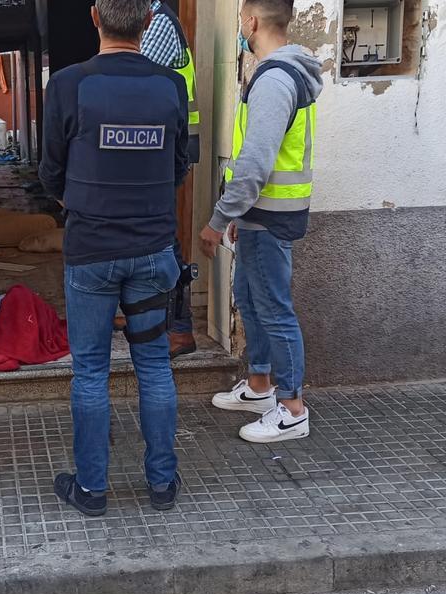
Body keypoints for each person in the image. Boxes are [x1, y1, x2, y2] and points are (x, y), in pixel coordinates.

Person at [40, 0, 189, 516]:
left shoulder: (67, 85)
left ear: (94, 16)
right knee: (154, 366)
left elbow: (49, 173)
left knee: (89, 371)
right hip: (152, 252)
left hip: (91, 255)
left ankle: (92, 490)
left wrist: (81, 204)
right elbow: (178, 167)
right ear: (148, 23)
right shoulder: (171, 86)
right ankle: (163, 485)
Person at [198, 0, 322, 444]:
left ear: (251, 21)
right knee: (250, 300)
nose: (239, 28)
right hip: (259, 213)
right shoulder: (279, 73)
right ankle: (260, 386)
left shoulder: (275, 79)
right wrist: (240, 214)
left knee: (273, 309)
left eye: (239, 21)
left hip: (271, 216)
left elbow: (253, 164)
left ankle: (292, 409)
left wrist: (218, 219)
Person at [138, 0, 200, 359]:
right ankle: (150, 311)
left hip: (168, 149)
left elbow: (138, 79)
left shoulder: (159, 24)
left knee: (163, 240)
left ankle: (180, 328)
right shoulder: (150, 22)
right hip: (157, 146)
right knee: (150, 235)